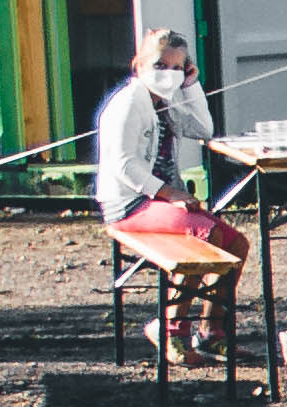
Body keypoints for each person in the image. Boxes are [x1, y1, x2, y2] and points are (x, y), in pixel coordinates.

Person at [93, 18, 242, 357]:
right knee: (203, 235)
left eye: (177, 67)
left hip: (159, 202)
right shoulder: (128, 103)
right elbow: (124, 165)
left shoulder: (167, 102)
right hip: (129, 203)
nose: (168, 74)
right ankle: (171, 327)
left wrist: (191, 86)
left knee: (236, 244)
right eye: (160, 65)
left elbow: (204, 129)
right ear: (139, 65)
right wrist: (170, 194)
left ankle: (212, 330)